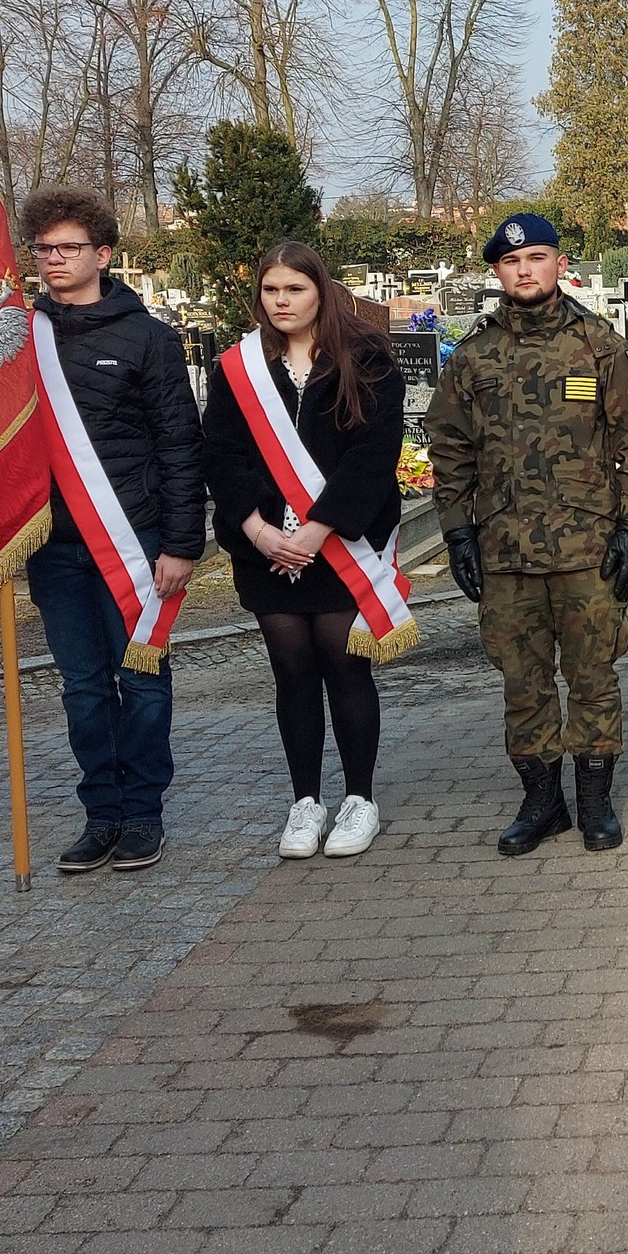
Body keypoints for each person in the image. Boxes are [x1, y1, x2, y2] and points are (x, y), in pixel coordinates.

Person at [426, 213, 628, 856]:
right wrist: (457, 535)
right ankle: (542, 800)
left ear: (559, 264)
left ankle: (596, 800)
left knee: (593, 675)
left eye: (538, 258)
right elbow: (449, 449)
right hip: (506, 553)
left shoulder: (598, 346)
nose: (525, 271)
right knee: (522, 681)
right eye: (511, 262)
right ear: (497, 271)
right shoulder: (473, 357)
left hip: (588, 549)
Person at [203, 244, 407, 861]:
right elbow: (220, 452)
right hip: (266, 547)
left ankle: (359, 800)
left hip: (341, 542)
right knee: (291, 670)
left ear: (320, 290)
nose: (283, 301)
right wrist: (259, 530)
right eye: (272, 291)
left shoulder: (366, 359)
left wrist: (318, 529)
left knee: (344, 665)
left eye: (295, 289)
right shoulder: (237, 367)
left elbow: (373, 455)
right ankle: (304, 802)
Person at [19, 189, 203, 874]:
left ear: (103, 254)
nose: (53, 260)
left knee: (144, 681)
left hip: (137, 544)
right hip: (53, 548)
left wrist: (183, 544)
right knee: (83, 689)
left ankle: (143, 814)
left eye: (68, 247)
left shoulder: (148, 338)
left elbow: (179, 445)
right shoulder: (20, 337)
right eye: (43, 248)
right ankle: (101, 813)